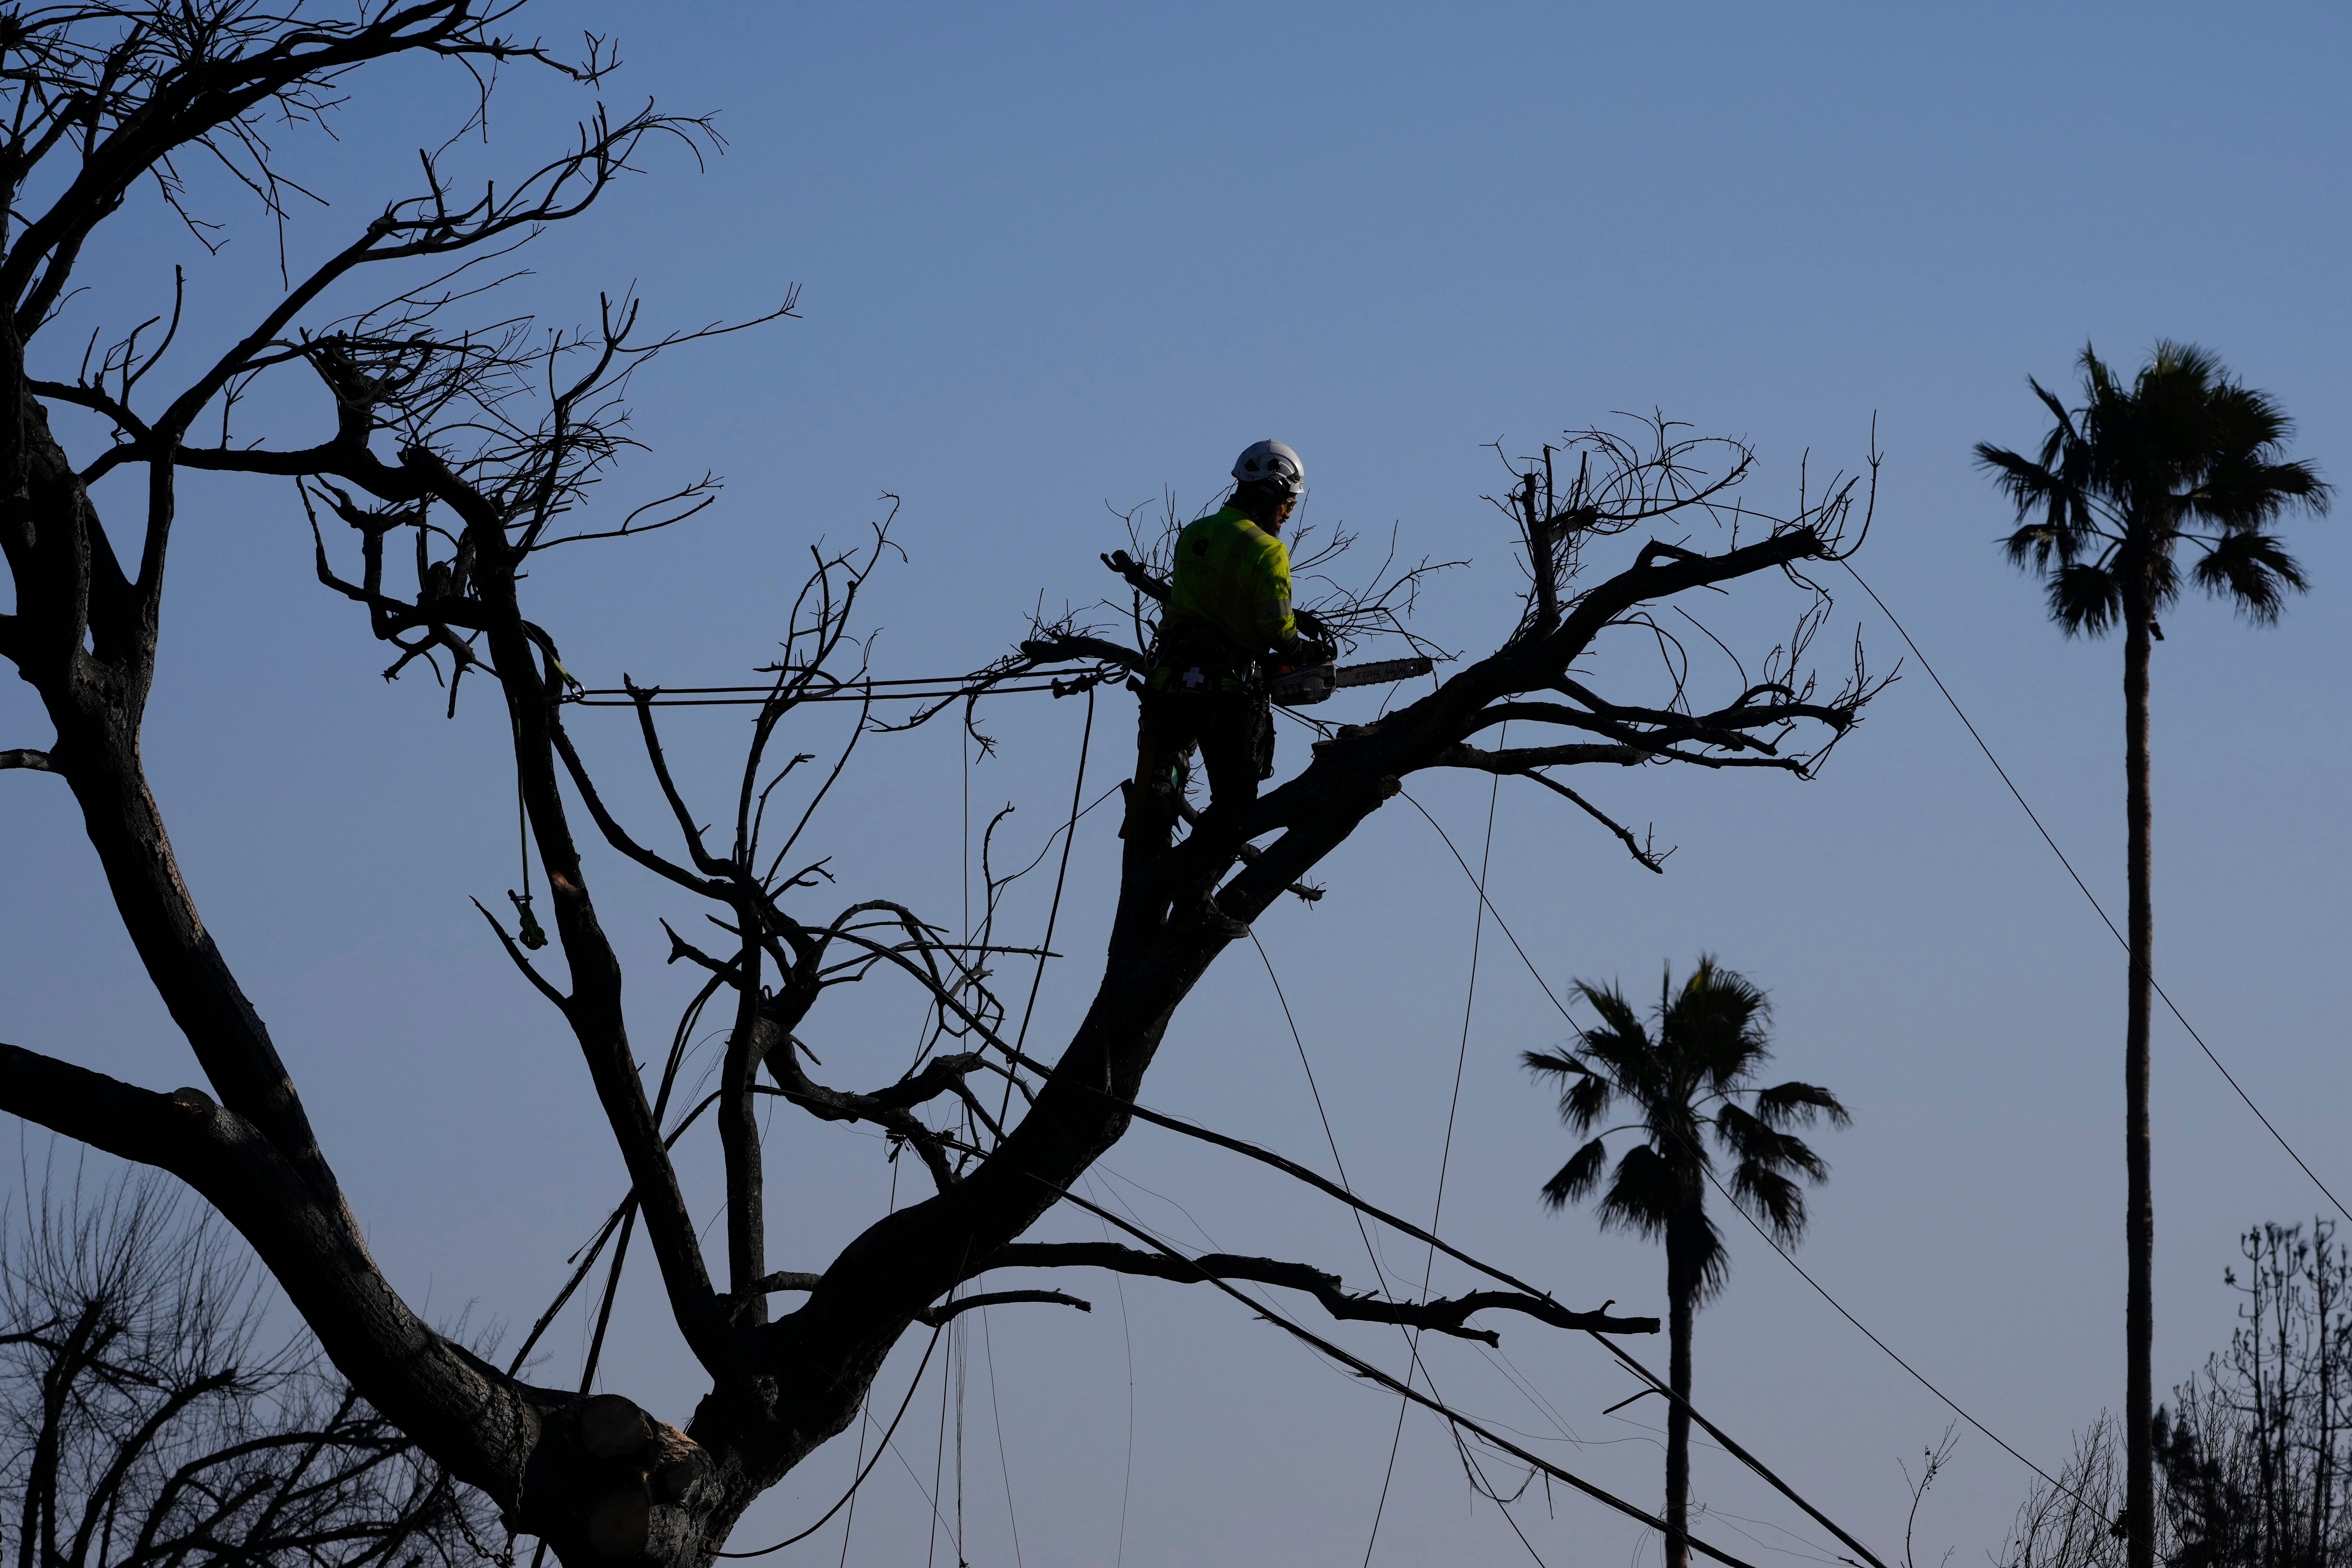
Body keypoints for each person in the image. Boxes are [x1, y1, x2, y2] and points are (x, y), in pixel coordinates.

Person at [1128, 439, 1331, 937]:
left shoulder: (1196, 534)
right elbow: (1276, 631)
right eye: (1288, 503)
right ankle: (1195, 898)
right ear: (1271, 493)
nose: (1288, 515)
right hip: (1228, 691)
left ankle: (1156, 835)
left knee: (1164, 772)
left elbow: (1211, 599)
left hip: (1171, 679)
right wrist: (1303, 650)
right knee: (1236, 804)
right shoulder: (1269, 551)